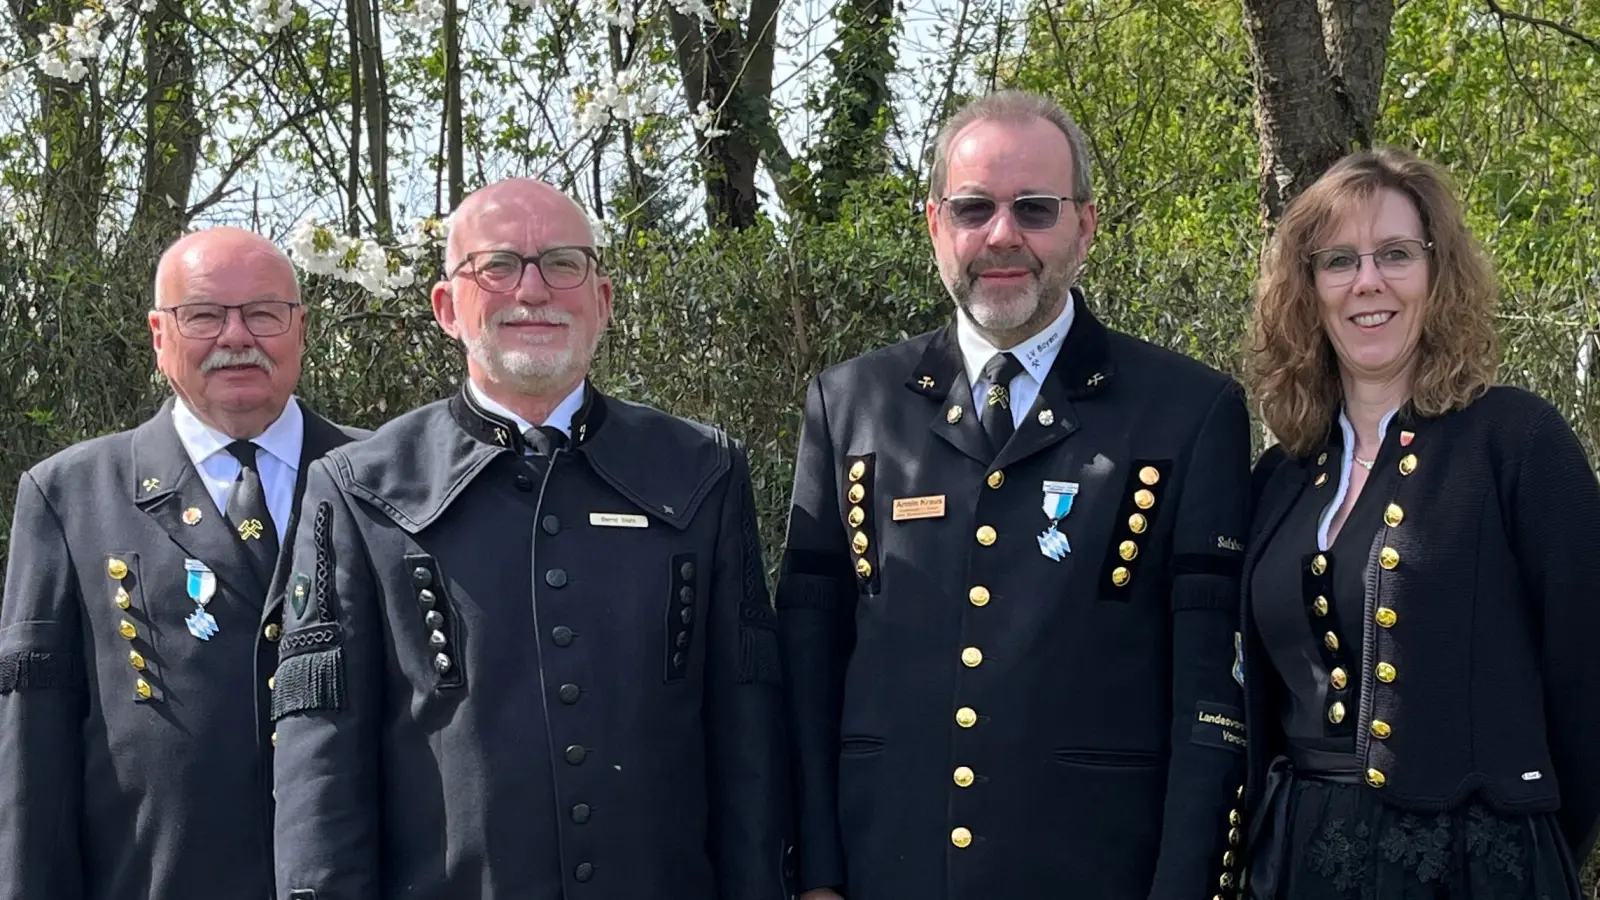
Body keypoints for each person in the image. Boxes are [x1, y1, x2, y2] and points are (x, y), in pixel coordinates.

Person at [775, 88, 1253, 900]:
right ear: (935, 225)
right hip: (890, 870)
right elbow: (809, 665)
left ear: (1085, 226)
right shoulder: (851, 404)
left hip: (1094, 872)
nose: (1002, 236)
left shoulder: (1187, 412)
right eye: (973, 209)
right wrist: (816, 875)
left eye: (1034, 208)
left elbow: (1209, 699)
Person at [268, 177, 793, 899]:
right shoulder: (361, 489)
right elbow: (321, 756)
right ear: (447, 307)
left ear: (602, 301)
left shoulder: (700, 471)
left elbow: (747, 740)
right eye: (499, 266)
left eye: (562, 264)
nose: (534, 290)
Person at [1240, 146, 1600, 899]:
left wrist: (1529, 848)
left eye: (1396, 254)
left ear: (1439, 274)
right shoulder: (1278, 478)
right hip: (1299, 861)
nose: (1367, 282)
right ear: (1309, 289)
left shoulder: (1517, 442)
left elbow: (1587, 682)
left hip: (1475, 865)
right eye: (1338, 260)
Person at [0, 227, 365, 900]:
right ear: (159, 335)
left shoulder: (386, 481)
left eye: (263, 312)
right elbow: (35, 763)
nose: (236, 336)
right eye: (203, 314)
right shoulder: (69, 497)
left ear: (300, 329)